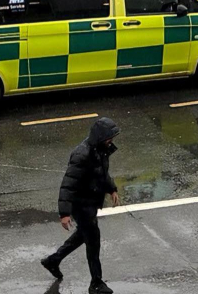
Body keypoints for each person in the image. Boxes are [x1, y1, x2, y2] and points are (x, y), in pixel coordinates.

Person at [43, 116, 121, 293]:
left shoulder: (100, 149)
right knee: (93, 240)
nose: (111, 141)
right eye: (109, 137)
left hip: (90, 202)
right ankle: (96, 283)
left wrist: (112, 189)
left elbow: (101, 173)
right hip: (81, 205)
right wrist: (64, 213)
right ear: (100, 136)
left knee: (83, 235)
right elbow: (68, 184)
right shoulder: (82, 154)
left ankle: (53, 260)